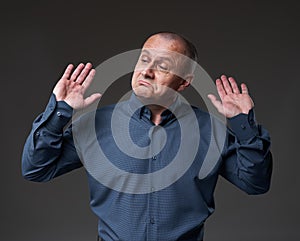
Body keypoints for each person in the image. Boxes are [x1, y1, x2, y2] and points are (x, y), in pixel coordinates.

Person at [22, 32, 272, 241]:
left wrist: (243, 125)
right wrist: (59, 112)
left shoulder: (210, 130)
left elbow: (255, 184)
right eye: (143, 60)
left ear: (184, 82)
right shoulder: (96, 125)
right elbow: (36, 169)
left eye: (162, 66)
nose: (147, 72)